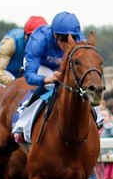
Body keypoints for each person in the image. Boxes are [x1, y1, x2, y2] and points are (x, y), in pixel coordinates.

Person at [11, 11, 91, 143]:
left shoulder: (81, 41)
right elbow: (30, 76)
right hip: (42, 66)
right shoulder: (39, 39)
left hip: (64, 67)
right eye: (65, 38)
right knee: (49, 86)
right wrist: (46, 79)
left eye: (74, 37)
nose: (70, 42)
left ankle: (97, 117)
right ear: (55, 35)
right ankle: (22, 122)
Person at [0, 16, 48, 86]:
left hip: (22, 74)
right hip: (2, 70)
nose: (37, 41)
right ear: (26, 35)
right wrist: (14, 84)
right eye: (33, 36)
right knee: (16, 90)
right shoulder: (11, 42)